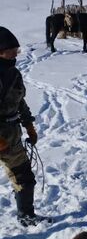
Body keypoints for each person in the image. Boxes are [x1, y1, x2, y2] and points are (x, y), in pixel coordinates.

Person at [0, 27, 49, 226]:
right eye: (10, 50)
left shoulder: (14, 74)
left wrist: (29, 127)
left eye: (16, 50)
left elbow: (20, 102)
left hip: (11, 135)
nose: (15, 54)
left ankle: (26, 215)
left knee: (24, 176)